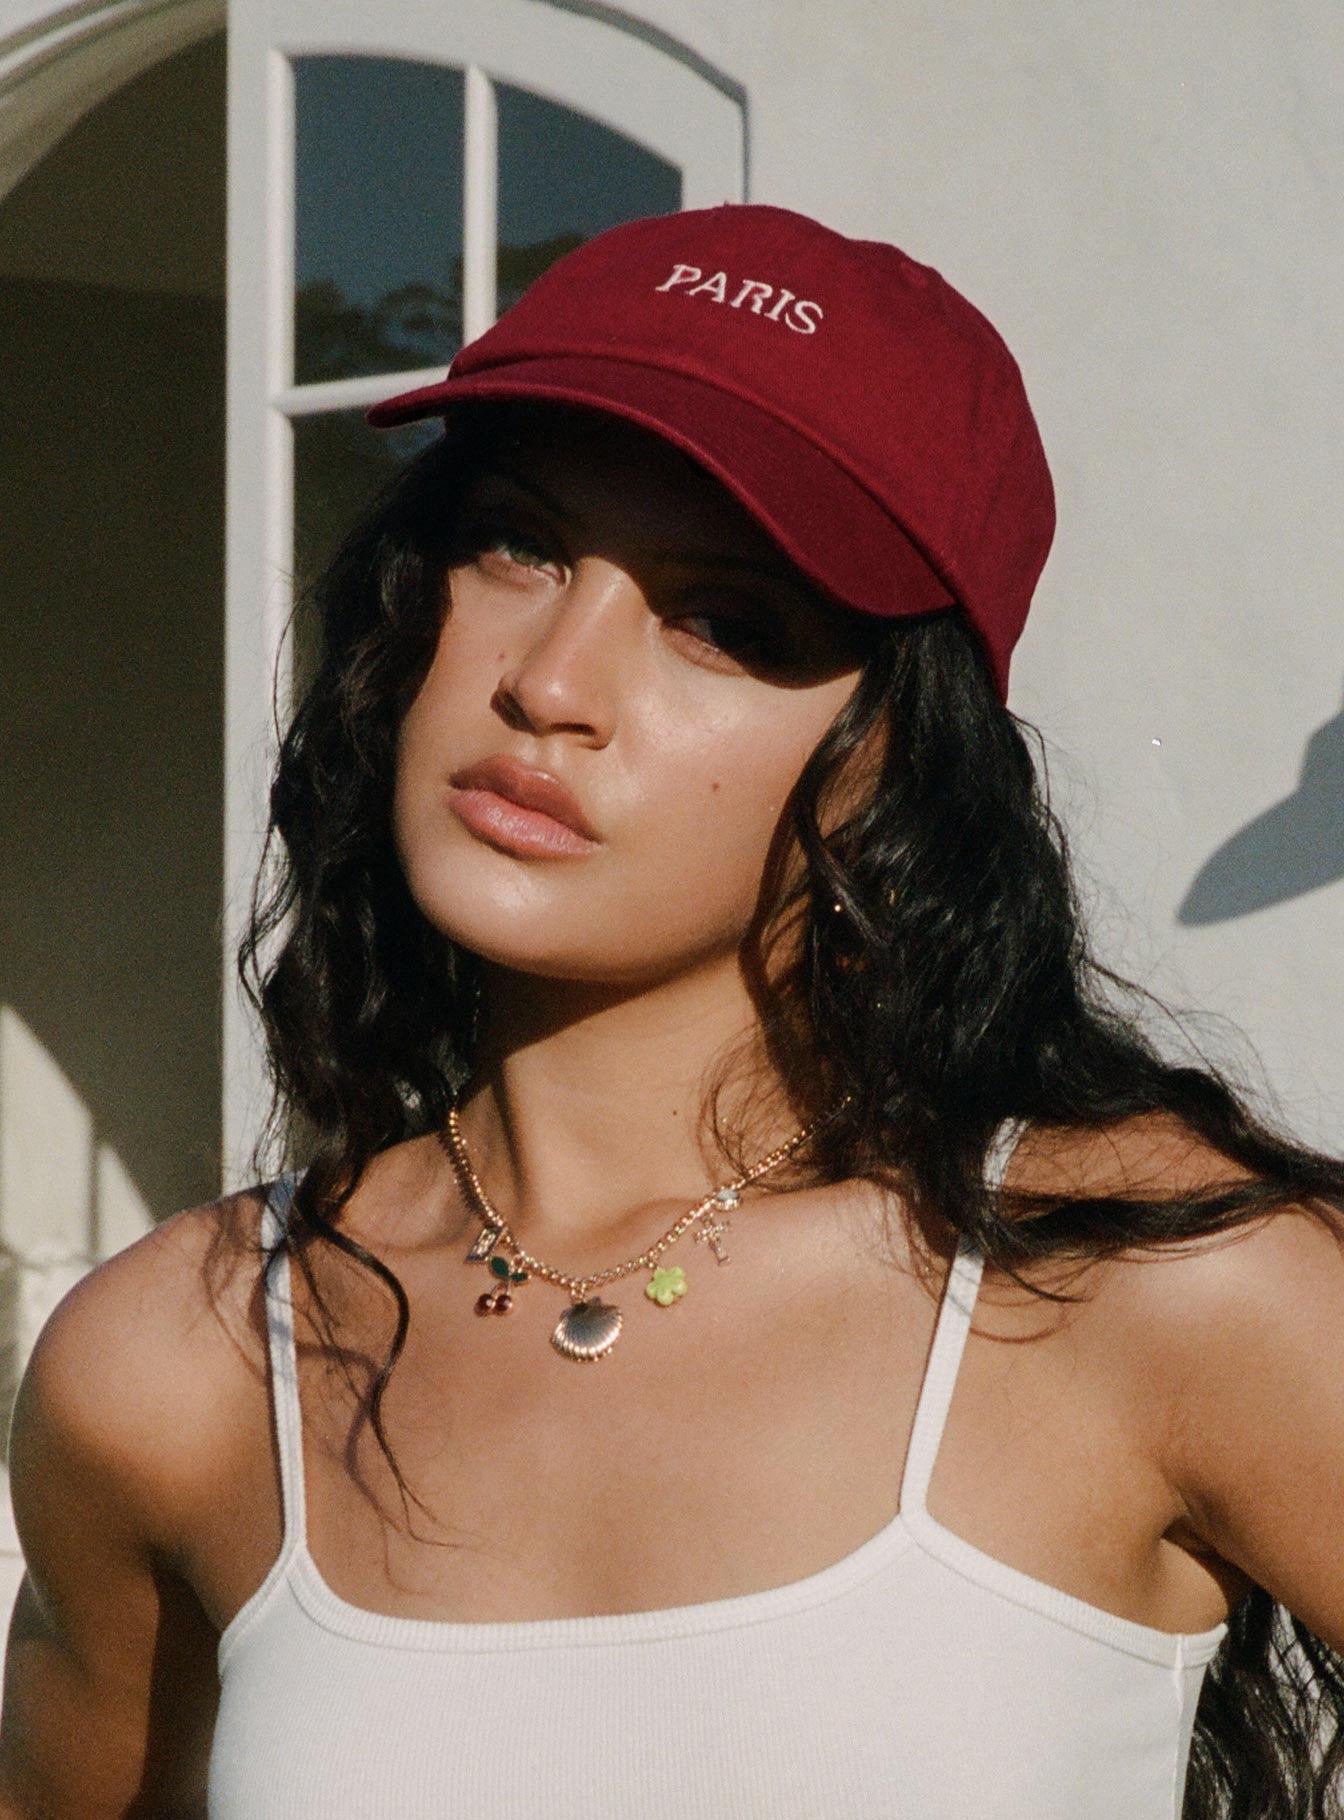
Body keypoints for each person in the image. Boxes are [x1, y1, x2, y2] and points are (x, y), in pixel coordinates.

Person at [0, 203, 1340, 1819]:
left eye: (725, 622)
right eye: (520, 545)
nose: (551, 682)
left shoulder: (1153, 1281)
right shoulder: (177, 1368)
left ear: (896, 754)